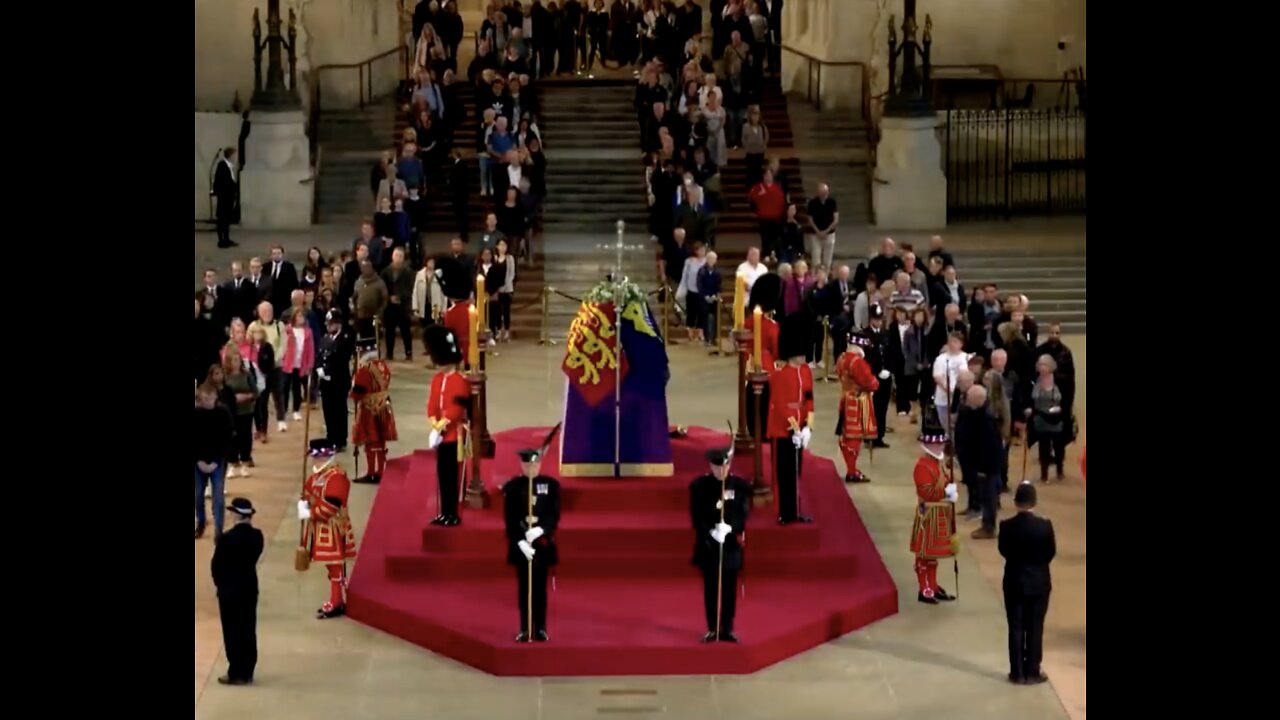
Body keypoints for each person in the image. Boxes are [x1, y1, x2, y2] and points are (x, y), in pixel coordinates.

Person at [689, 445, 752, 642]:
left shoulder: (740, 486)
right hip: (710, 546)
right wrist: (711, 531)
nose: (721, 471)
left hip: (730, 546)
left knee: (729, 590)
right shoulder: (699, 487)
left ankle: (727, 628)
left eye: (725, 467)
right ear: (711, 466)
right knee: (711, 589)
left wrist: (731, 528)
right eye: (717, 468)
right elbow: (696, 516)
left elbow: (744, 514)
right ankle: (712, 628)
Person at [502, 445, 561, 642]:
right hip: (523, 545)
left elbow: (554, 514)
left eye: (535, 464)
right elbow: (510, 519)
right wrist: (520, 541)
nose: (532, 468)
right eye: (528, 464)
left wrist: (541, 529)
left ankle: (541, 628)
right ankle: (525, 628)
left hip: (541, 544)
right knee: (524, 589)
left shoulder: (551, 486)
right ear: (522, 465)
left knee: (540, 590)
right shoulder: (513, 487)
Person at [998, 482, 1056, 685]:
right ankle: (1033, 671)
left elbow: (1003, 551)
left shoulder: (1006, 526)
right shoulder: (1045, 527)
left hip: (1014, 580)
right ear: (1034, 502)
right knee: (1035, 627)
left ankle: (1017, 672)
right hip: (1039, 582)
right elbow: (1050, 553)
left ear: (1016, 503)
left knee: (1015, 626)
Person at [299, 441, 358, 619]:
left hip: (332, 528)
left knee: (335, 567)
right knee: (331, 567)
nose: (313, 462)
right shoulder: (320, 475)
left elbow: (330, 507)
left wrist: (309, 511)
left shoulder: (336, 477)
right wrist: (305, 501)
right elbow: (309, 491)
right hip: (321, 528)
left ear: (325, 456)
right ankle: (337, 598)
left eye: (316, 457)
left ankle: (337, 601)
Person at [768, 312, 815, 525]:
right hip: (782, 430)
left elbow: (808, 399)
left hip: (799, 430)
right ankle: (784, 512)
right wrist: (794, 429)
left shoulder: (805, 372)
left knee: (796, 473)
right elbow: (780, 406)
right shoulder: (780, 374)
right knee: (784, 474)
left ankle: (794, 510)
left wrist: (808, 428)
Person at [212, 498, 264, 686]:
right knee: (248, 628)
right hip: (249, 587)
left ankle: (235, 671)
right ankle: (248, 671)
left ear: (236, 515)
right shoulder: (258, 536)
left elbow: (216, 566)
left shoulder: (226, 539)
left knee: (232, 630)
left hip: (229, 590)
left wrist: (220, 585)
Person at [910, 408, 959, 604]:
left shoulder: (937, 464)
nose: (939, 447)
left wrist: (949, 487)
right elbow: (926, 492)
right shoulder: (922, 466)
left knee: (933, 555)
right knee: (925, 554)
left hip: (939, 512)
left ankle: (933, 584)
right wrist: (945, 492)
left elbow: (943, 481)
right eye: (935, 444)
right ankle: (924, 588)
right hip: (928, 513)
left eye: (940, 444)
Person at [425, 325, 471, 526]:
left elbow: (456, 410)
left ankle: (453, 513)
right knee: (442, 475)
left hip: (455, 436)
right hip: (441, 434)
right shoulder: (437, 379)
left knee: (453, 476)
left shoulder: (460, 380)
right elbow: (432, 404)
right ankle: (444, 512)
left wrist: (442, 427)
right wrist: (434, 425)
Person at [956, 384, 1004, 539]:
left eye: (968, 399)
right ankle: (986, 524)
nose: (966, 401)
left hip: (987, 466)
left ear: (975, 401)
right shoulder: (976, 415)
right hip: (982, 464)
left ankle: (988, 527)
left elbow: (988, 447)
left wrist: (982, 468)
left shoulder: (985, 421)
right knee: (986, 495)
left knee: (988, 497)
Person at [350, 337, 399, 485]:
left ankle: (372, 473)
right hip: (383, 406)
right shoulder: (383, 365)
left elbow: (358, 391)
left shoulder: (364, 370)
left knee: (370, 442)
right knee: (381, 441)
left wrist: (352, 395)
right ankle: (381, 471)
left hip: (370, 409)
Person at [195, 383, 236, 539]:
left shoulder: (223, 413)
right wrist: (199, 460)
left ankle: (219, 530)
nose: (207, 402)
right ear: (200, 398)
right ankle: (201, 522)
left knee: (218, 496)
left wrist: (216, 461)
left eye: (210, 398)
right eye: (204, 399)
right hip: (198, 462)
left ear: (215, 397)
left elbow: (226, 439)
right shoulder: (196, 414)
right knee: (198, 495)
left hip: (217, 461)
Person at [743, 273, 782, 439]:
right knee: (767, 401)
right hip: (766, 365)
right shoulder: (772, 326)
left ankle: (753, 429)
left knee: (751, 401)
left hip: (749, 363)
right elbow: (776, 350)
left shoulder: (747, 321)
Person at [833, 343, 878, 483]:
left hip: (845, 399)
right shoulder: (857, 362)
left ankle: (851, 468)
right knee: (854, 437)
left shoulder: (842, 358)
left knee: (846, 435)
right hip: (857, 402)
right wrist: (875, 384)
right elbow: (870, 382)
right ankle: (851, 471)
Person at [852, 304, 893, 449]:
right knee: (870, 408)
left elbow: (891, 354)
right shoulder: (864, 335)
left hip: (885, 378)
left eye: (880, 319)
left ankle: (879, 436)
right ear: (871, 319)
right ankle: (868, 435)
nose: (878, 322)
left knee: (882, 408)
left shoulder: (886, 334)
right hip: (870, 378)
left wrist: (888, 369)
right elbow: (863, 359)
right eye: (875, 319)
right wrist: (874, 373)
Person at [316, 309, 354, 451]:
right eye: (327, 323)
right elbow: (319, 355)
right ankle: (331, 436)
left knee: (339, 410)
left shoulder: (345, 339)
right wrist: (319, 368)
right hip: (325, 381)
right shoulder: (325, 338)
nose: (328, 326)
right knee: (328, 409)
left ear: (338, 324)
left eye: (331, 323)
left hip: (338, 380)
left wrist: (326, 370)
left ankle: (340, 439)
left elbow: (342, 360)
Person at [1026, 354, 1068, 482]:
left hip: (1057, 417)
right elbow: (1030, 398)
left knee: (1058, 446)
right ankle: (1044, 474)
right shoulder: (1034, 380)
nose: (1042, 367)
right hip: (1041, 416)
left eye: (1045, 364)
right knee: (1043, 446)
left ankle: (1059, 468)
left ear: (1051, 366)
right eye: (1040, 364)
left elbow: (1066, 397)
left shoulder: (1059, 380)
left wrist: (1063, 409)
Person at [435, 256, 474, 371]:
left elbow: (450, 336)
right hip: (473, 350)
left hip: (459, 351)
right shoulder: (471, 309)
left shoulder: (450, 313)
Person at [213, 147, 239, 248]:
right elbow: (220, 182)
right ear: (231, 155)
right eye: (235, 155)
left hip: (229, 198)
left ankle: (226, 239)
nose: (236, 157)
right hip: (224, 198)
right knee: (222, 219)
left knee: (226, 220)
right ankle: (221, 240)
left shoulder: (230, 166)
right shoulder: (222, 166)